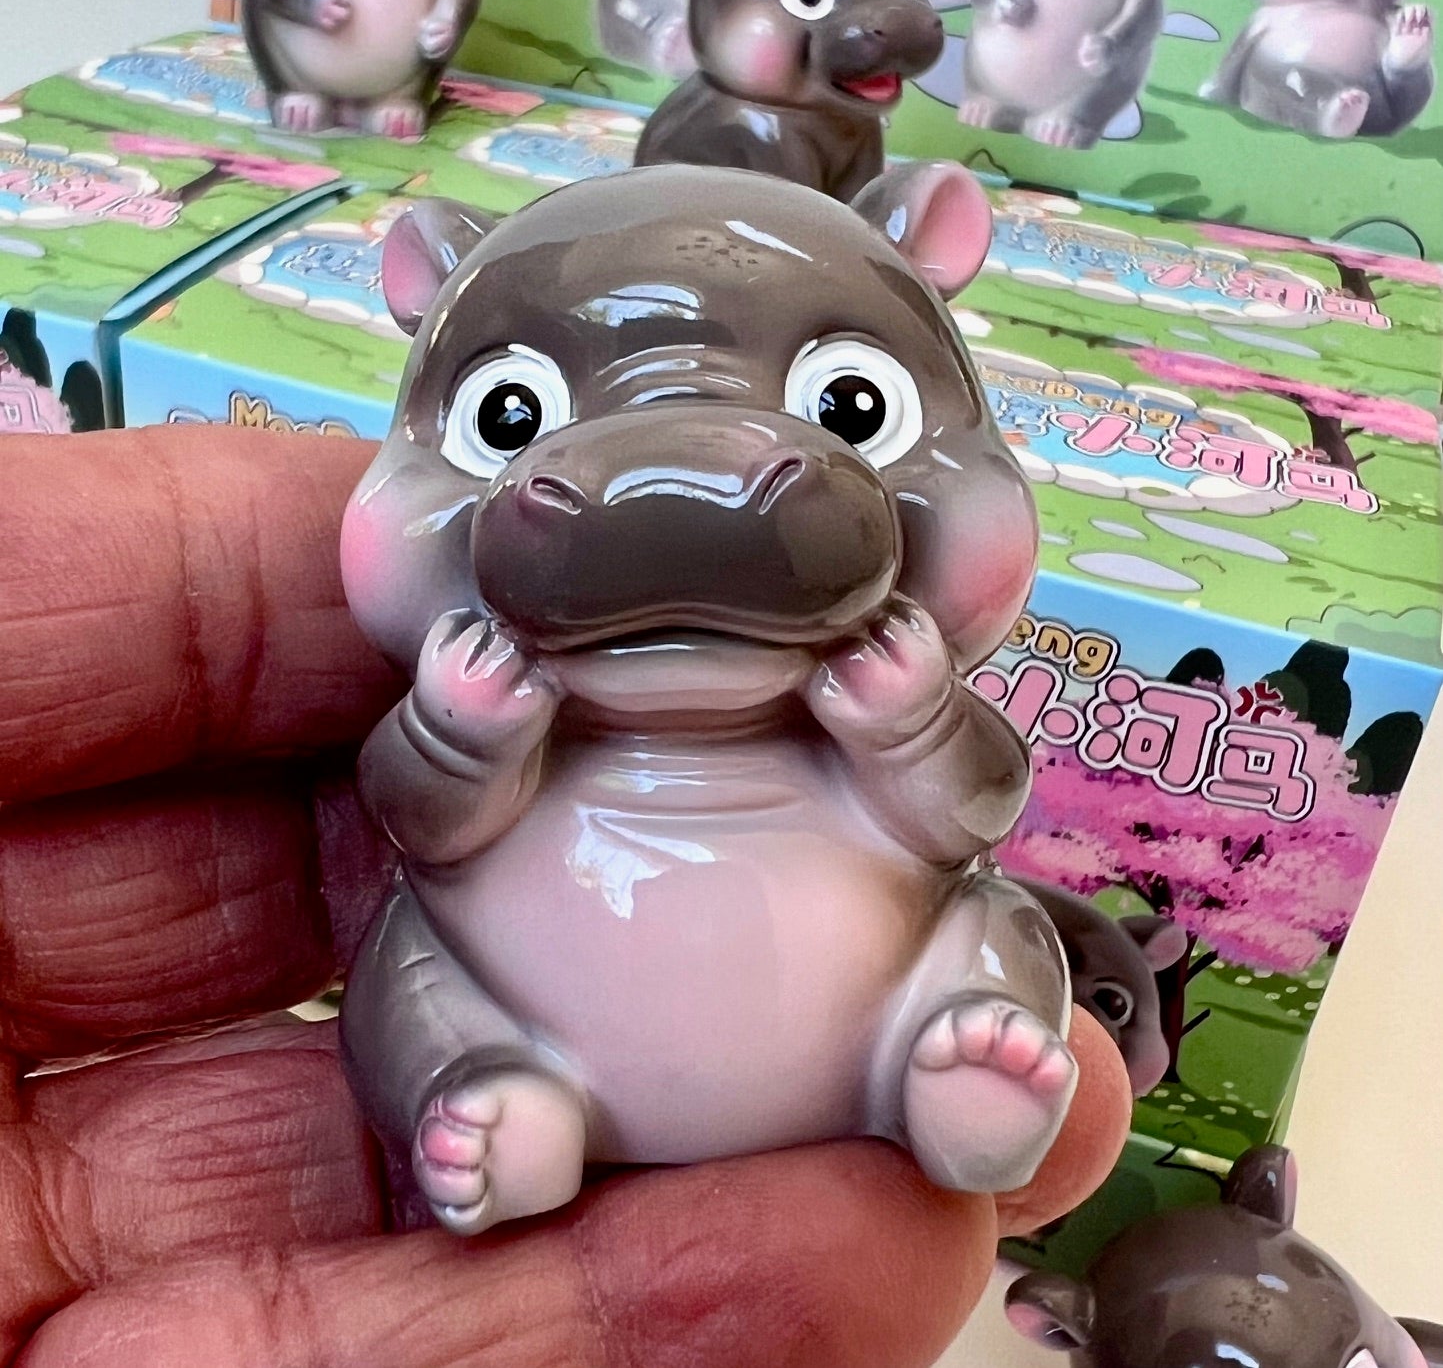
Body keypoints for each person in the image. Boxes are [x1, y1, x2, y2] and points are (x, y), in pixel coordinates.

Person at [0, 427, 1132, 1368]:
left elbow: (968, 812)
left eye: (845, 410)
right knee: (415, 963)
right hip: (521, 1003)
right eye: (512, 419)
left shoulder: (874, 687)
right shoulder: (499, 689)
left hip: (876, 1002)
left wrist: (914, 729)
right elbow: (421, 820)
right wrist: (458, 739)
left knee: (992, 924)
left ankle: (940, 1072)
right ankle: (493, 1091)